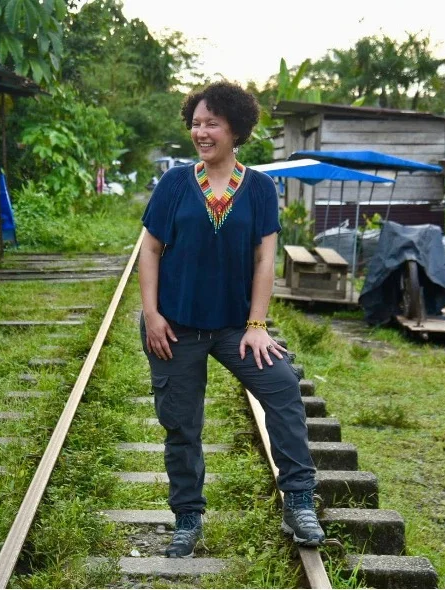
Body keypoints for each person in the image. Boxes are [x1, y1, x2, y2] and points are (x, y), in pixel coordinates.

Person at [138, 81, 325, 558]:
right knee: (181, 424)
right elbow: (151, 250)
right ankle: (187, 518)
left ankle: (299, 502)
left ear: (235, 129)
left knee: (282, 388)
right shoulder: (176, 183)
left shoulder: (260, 188)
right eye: (196, 123)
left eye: (212, 123)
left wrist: (257, 326)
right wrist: (152, 315)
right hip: (175, 327)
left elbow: (266, 261)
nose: (201, 132)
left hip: (233, 329)